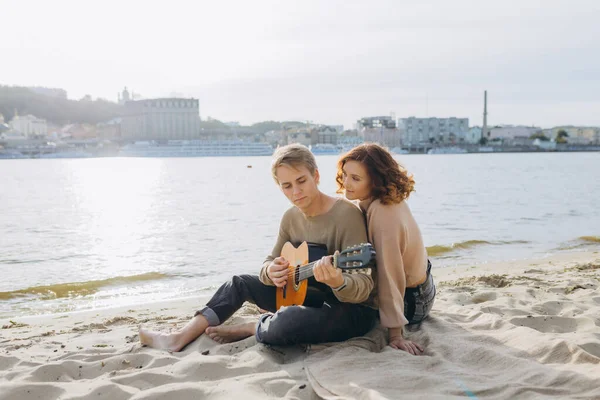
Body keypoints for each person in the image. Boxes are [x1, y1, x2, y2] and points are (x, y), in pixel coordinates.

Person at [139, 144, 377, 352]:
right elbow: (268, 263)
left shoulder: (347, 214)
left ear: (316, 175)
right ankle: (178, 338)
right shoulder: (290, 218)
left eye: (301, 181)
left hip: (348, 311)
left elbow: (364, 287)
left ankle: (255, 326)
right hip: (304, 297)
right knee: (239, 283)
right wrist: (270, 271)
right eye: (286, 186)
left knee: (288, 320)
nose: (296, 192)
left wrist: (337, 281)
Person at [336, 143, 435, 356]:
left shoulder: (383, 213)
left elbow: (391, 274)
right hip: (419, 284)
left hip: (414, 300)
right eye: (345, 174)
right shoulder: (372, 199)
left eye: (355, 178)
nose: (346, 183)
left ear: (375, 181)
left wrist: (395, 335)